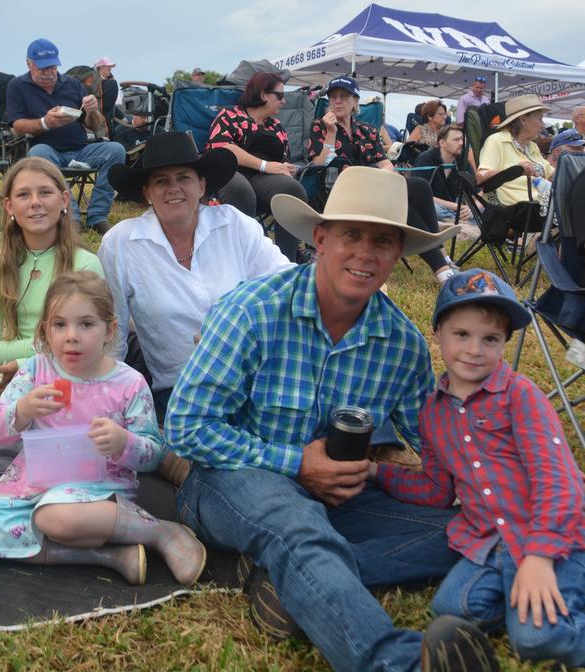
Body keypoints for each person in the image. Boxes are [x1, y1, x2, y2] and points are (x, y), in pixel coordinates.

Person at [167, 167, 496, 671]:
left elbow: (440, 443)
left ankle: (291, 579)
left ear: (397, 255)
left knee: (472, 529)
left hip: (338, 498)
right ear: (320, 239)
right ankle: (397, 663)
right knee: (294, 521)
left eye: (382, 241)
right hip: (228, 484)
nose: (365, 253)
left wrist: (520, 478)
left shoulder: (401, 344)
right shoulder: (251, 312)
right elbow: (187, 428)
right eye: (351, 235)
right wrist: (297, 463)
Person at [372, 269, 585, 669]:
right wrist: (376, 473)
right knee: (451, 607)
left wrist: (539, 559)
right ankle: (526, 597)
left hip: (555, 538)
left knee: (536, 638)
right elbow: (436, 490)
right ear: (438, 332)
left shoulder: (520, 396)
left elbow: (558, 480)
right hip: (492, 544)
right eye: (462, 335)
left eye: (490, 339)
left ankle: (555, 609)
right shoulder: (433, 413)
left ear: (504, 341)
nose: (474, 350)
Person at [0, 271, 206, 587]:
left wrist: (123, 442)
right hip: (34, 482)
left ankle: (159, 531)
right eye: (60, 324)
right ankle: (112, 557)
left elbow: (154, 455)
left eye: (86, 324)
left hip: (98, 488)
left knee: (54, 518)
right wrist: (22, 410)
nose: (71, 335)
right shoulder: (36, 370)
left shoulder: (128, 384)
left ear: (109, 330)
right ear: (46, 329)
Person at [99, 131, 290, 419]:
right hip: (182, 392)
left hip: (255, 380)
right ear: (147, 193)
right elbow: (112, 331)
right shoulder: (120, 244)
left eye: (183, 178)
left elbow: (285, 284)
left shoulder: (235, 224)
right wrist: (106, 403)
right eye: (161, 181)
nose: (173, 188)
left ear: (202, 186)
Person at [308, 75, 459, 283]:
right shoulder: (320, 127)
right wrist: (331, 133)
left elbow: (384, 161)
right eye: (333, 97)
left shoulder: (367, 130)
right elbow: (318, 164)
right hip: (340, 192)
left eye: (343, 96)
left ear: (355, 102)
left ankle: (440, 254)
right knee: (399, 206)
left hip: (373, 186)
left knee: (419, 186)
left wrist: (389, 179)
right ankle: (443, 269)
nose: (337, 101)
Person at [0, 157, 103, 370]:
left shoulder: (85, 265)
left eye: (45, 192)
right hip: (8, 382)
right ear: (9, 206)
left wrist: (21, 362)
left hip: (69, 381)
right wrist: (49, 345)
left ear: (64, 200)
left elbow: (89, 346)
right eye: (23, 195)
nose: (35, 202)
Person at [6, 38, 126, 235]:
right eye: (42, 68)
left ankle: (97, 216)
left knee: (116, 150)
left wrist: (92, 111)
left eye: (52, 67)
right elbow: (17, 126)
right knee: (38, 152)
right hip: (47, 151)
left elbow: (93, 125)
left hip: (80, 149)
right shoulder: (17, 86)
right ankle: (72, 218)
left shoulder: (72, 84)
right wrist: (45, 123)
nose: (48, 73)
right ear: (29, 64)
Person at [205, 72, 309, 261]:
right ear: (263, 95)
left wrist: (286, 168)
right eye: (280, 95)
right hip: (229, 172)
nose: (284, 101)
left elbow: (281, 161)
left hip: (262, 181)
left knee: (292, 190)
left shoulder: (276, 127)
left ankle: (285, 262)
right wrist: (264, 165)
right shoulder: (230, 115)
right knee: (241, 191)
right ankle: (240, 261)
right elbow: (222, 148)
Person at [477, 94, 554, 209]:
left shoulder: (532, 146)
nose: (543, 125)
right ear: (523, 120)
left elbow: (553, 175)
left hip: (540, 207)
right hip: (512, 211)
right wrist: (515, 170)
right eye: (540, 118)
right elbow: (481, 177)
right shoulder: (497, 140)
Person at [414, 124, 472, 223]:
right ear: (442, 143)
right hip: (434, 205)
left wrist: (470, 210)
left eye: (462, 139)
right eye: (456, 140)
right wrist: (457, 207)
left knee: (485, 209)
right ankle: (458, 221)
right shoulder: (425, 158)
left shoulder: (463, 161)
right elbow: (421, 195)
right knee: (435, 210)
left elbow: (478, 193)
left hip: (453, 207)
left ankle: (455, 220)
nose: (462, 143)